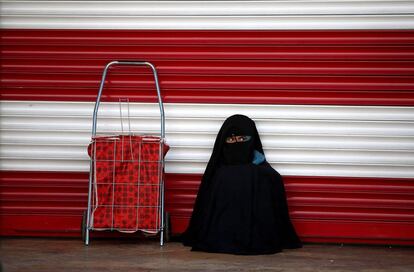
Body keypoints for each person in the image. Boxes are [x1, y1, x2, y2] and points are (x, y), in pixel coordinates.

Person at [181, 114, 302, 255]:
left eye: (242, 139)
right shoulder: (217, 175)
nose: (237, 143)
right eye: (231, 139)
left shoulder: (267, 176)